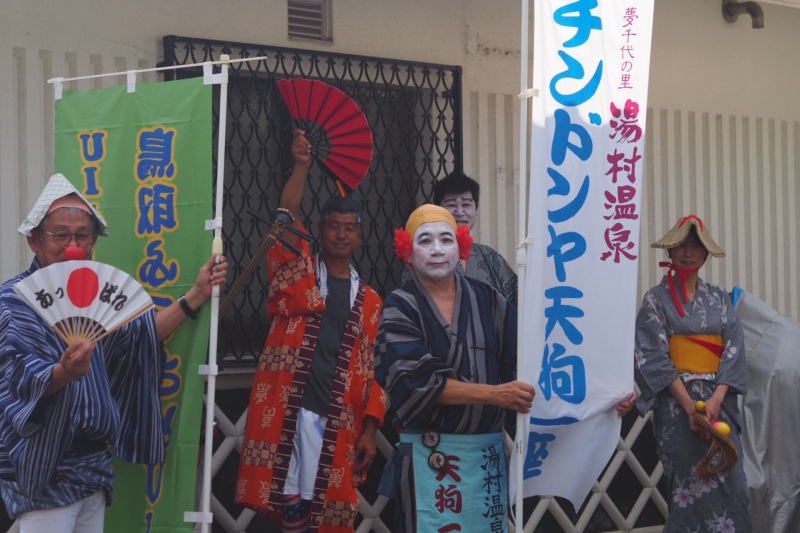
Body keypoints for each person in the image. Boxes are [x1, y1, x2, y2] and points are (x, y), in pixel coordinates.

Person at [0, 173, 228, 532]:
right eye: (60, 234)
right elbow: (16, 379)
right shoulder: (16, 301)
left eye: (82, 236)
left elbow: (139, 335)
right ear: (35, 241)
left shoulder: (98, 295)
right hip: (43, 466)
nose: (72, 245)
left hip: (93, 467)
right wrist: (63, 374)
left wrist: (197, 294)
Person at [235, 131, 386, 533]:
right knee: (291, 508)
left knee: (333, 512)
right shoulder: (298, 273)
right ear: (319, 230)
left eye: (349, 228)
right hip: (289, 406)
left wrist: (370, 431)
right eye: (333, 226)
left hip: (340, 416)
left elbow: (373, 371)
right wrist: (301, 164)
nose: (341, 234)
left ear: (359, 235)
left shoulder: (371, 301)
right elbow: (285, 217)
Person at [376, 204, 533, 533]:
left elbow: (530, 362)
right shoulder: (399, 306)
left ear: (461, 247)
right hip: (428, 457)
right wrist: (497, 394)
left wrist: (600, 399)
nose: (436, 250)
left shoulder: (488, 299)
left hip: (483, 457)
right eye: (425, 241)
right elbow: (418, 384)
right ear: (407, 250)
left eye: (446, 239)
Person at [634, 215, 752, 532]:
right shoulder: (654, 300)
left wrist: (717, 397)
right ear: (670, 253)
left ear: (705, 255)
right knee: (686, 482)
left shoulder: (720, 300)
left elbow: (734, 349)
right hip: (676, 407)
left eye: (695, 246)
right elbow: (653, 356)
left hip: (720, 403)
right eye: (681, 246)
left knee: (733, 481)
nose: (688, 252)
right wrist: (690, 408)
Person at [433, 172, 517, 306]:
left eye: (466, 205)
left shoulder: (491, 258)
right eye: (451, 204)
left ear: (476, 208)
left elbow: (521, 304)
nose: (460, 212)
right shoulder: (424, 257)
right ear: (438, 209)